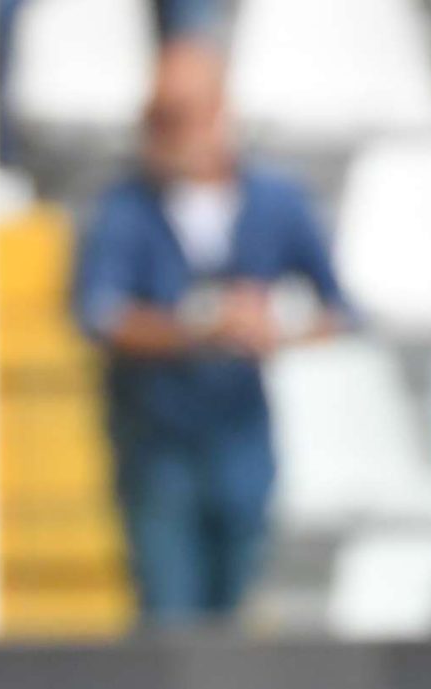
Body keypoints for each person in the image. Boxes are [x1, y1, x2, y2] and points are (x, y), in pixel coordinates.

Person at [71, 41, 350, 623]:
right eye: (157, 117)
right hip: (157, 437)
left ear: (220, 112)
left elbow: (340, 309)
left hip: (240, 431)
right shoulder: (126, 207)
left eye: (180, 115)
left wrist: (273, 327)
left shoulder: (275, 201)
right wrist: (199, 329)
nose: (166, 133)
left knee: (233, 602)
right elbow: (100, 315)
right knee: (169, 609)